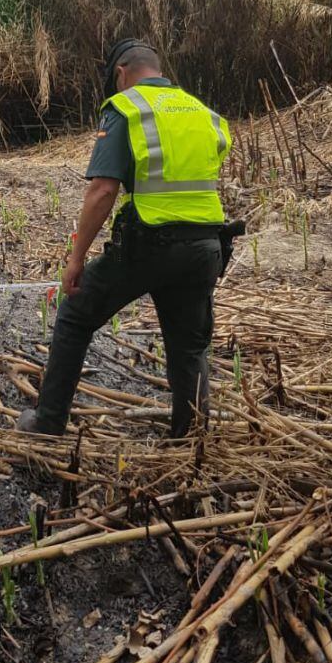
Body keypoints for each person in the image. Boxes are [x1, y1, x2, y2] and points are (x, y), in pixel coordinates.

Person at [18, 39, 233, 440]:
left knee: (75, 316)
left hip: (152, 243)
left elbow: (103, 190)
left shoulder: (127, 107)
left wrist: (76, 257)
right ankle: (190, 439)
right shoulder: (204, 113)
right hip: (206, 247)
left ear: (121, 73)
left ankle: (47, 422)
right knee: (188, 350)